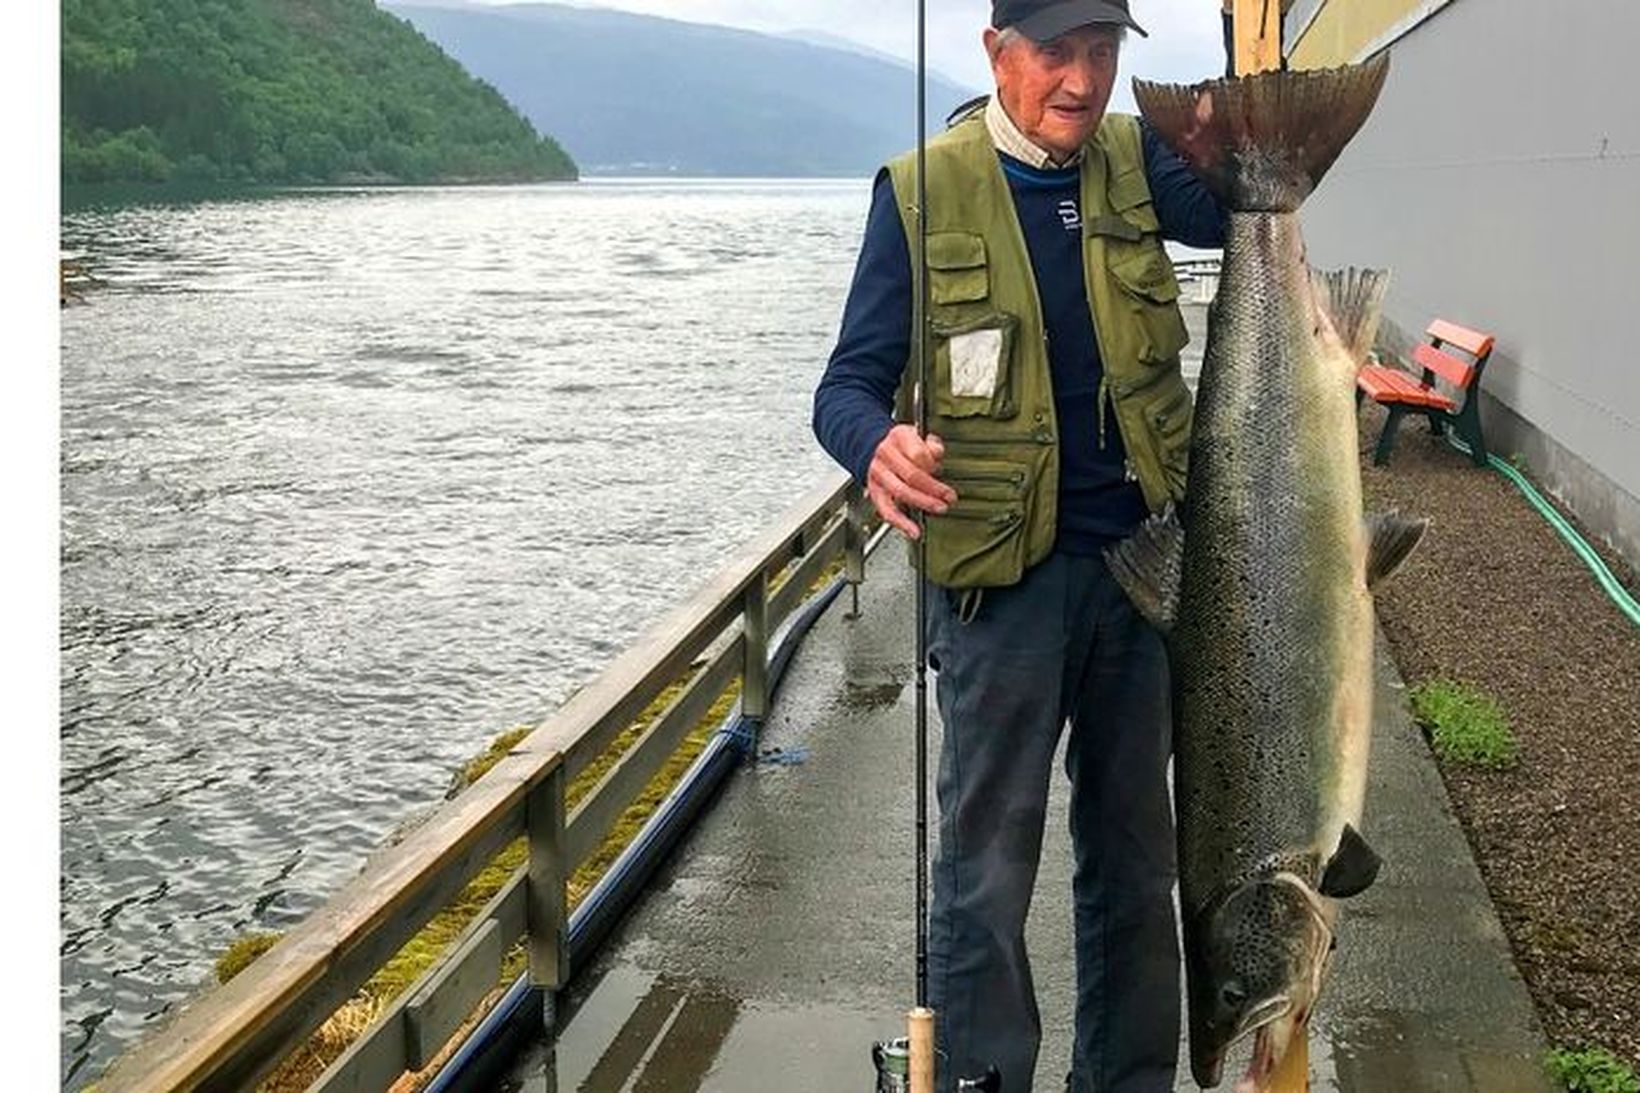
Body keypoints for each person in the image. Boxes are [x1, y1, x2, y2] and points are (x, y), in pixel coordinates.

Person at [811, 2, 1226, 1090]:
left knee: (1136, 863)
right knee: (985, 869)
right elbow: (843, 388)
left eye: (1100, 54)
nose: (1081, 82)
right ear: (997, 55)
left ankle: (1125, 1079)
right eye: (1055, 53)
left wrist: (1244, 101)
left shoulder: (1138, 162)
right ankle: (980, 1079)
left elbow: (1245, 208)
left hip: (1145, 572)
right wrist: (876, 446)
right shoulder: (918, 190)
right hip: (1001, 595)